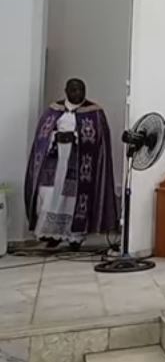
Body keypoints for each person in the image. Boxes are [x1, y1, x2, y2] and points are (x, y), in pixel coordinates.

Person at [24, 78, 118, 250]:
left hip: (79, 164)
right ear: (66, 91)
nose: (78, 93)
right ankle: (50, 234)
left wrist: (75, 137)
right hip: (55, 162)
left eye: (81, 90)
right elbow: (41, 138)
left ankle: (75, 237)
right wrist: (55, 137)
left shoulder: (94, 112)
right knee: (49, 196)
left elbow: (99, 141)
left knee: (72, 199)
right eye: (74, 90)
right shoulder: (53, 110)